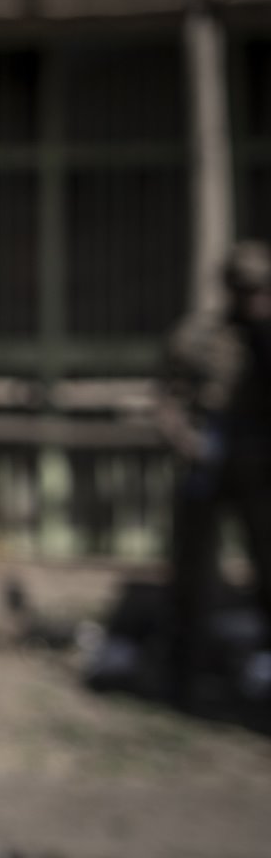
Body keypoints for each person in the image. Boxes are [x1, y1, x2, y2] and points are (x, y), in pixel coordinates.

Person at [158, 241, 271, 705]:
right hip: (208, 468)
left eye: (261, 287)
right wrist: (189, 442)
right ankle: (186, 673)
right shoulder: (196, 337)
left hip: (261, 472)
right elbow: (167, 401)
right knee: (192, 572)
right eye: (245, 288)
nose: (254, 297)